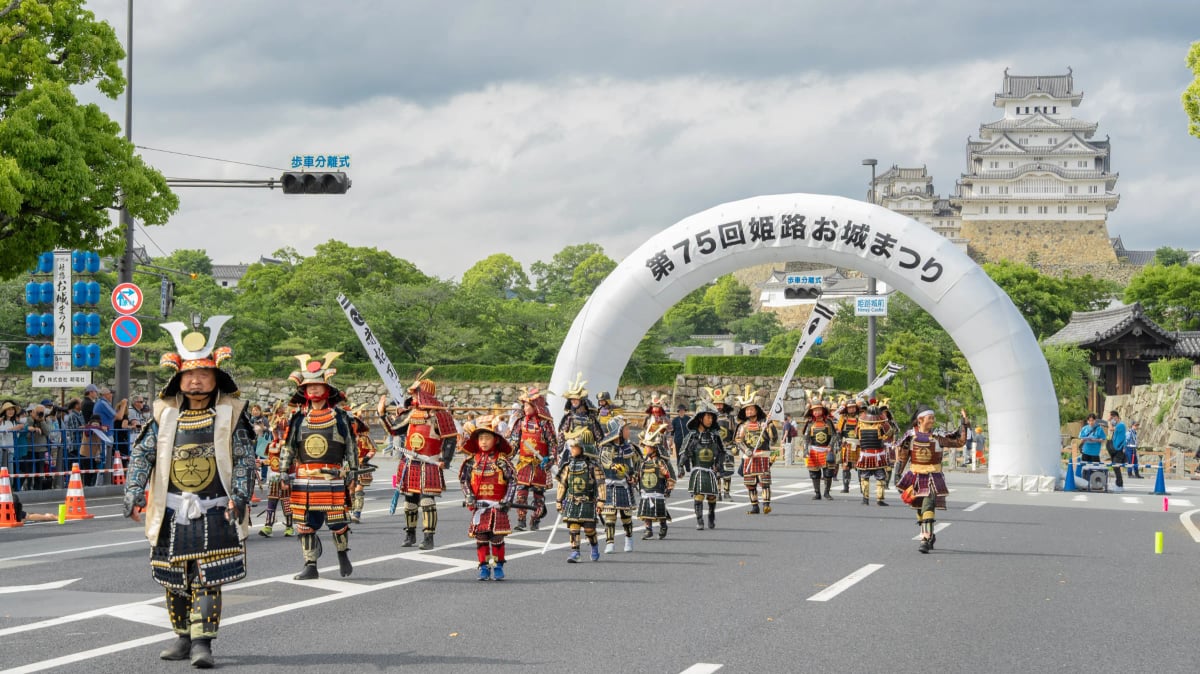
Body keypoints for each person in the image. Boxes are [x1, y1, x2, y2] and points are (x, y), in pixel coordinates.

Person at [122, 315, 256, 667]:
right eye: (189, 375)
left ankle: (203, 643)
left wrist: (240, 495)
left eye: (203, 374)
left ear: (216, 379)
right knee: (174, 577)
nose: (196, 380)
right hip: (171, 510)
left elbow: (244, 459)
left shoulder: (231, 414)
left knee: (209, 578)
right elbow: (142, 453)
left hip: (216, 507)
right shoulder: (164, 415)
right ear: (179, 379)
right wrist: (134, 488)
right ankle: (182, 637)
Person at [279, 352, 360, 580]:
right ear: (304, 390)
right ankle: (310, 564)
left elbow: (351, 446)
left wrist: (353, 470)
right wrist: (283, 471)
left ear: (326, 388)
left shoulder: (340, 417)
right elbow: (289, 446)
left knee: (337, 522)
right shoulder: (298, 418)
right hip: (304, 478)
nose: (313, 390)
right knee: (305, 525)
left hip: (331, 478)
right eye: (309, 386)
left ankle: (342, 553)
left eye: (318, 385)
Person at [387, 372, 458, 550]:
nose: (413, 397)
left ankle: (428, 537)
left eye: (416, 393)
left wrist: (445, 460)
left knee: (427, 501)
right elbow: (394, 430)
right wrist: (381, 415)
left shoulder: (440, 415)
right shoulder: (412, 414)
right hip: (410, 461)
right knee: (409, 501)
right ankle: (410, 534)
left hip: (430, 462)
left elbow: (450, 439)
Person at [895, 408, 969, 553]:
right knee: (918, 507)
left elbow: (959, 441)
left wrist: (963, 424)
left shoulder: (938, 436)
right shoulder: (910, 437)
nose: (932, 420)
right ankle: (929, 535)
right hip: (915, 475)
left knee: (928, 505)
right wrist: (897, 475)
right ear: (920, 420)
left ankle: (924, 538)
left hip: (932, 476)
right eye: (930, 417)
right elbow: (903, 456)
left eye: (933, 418)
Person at [458, 414, 517, 580]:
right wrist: (469, 496)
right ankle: (484, 567)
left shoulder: (502, 461)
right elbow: (464, 480)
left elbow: (512, 481)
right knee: (481, 538)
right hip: (480, 507)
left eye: (487, 438)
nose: (483, 442)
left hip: (497, 507)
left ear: (495, 440)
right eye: (481, 438)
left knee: (496, 538)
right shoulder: (472, 461)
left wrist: (507, 500)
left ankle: (497, 566)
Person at [506, 387, 558, 532]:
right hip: (524, 463)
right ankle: (521, 520)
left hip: (539, 465)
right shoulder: (520, 422)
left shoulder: (545, 424)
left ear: (535, 407)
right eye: (524, 405)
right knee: (521, 493)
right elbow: (515, 443)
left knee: (538, 495)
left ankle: (535, 519)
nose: (525, 407)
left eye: (528, 405)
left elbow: (553, 443)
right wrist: (505, 455)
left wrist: (551, 459)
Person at [555, 428, 607, 563]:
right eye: (571, 447)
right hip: (572, 500)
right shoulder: (568, 466)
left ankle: (594, 546)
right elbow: (562, 484)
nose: (572, 449)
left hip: (588, 501)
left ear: (583, 448)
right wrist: (559, 500)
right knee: (573, 527)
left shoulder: (592, 466)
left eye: (575, 447)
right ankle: (575, 552)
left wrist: (601, 501)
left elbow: (601, 484)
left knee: (589, 529)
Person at [678, 400, 727, 530]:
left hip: (710, 470)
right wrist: (680, 466)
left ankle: (711, 516)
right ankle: (699, 520)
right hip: (698, 469)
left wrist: (719, 465)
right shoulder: (692, 436)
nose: (710, 420)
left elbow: (722, 452)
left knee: (711, 496)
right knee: (698, 495)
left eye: (712, 417)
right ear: (700, 418)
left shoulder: (715, 436)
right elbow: (685, 452)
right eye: (708, 417)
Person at [597, 416, 640, 553]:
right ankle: (610, 542)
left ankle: (629, 539)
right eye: (626, 429)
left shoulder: (630, 447)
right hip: (610, 485)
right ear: (618, 431)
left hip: (624, 485)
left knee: (626, 516)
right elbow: (605, 462)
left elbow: (637, 465)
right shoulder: (606, 448)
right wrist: (613, 466)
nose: (628, 431)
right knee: (610, 515)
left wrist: (634, 477)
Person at [734, 386, 773, 514]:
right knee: (750, 483)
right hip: (750, 456)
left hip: (762, 455)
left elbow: (774, 438)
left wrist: (768, 426)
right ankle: (754, 506)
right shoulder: (743, 426)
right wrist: (746, 450)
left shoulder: (764, 423)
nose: (749, 412)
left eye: (751, 409)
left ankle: (766, 504)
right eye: (746, 410)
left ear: (756, 410)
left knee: (764, 482)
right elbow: (738, 440)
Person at [635, 424, 675, 540]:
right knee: (646, 511)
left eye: (647, 447)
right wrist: (633, 479)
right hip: (646, 490)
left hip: (657, 490)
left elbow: (668, 475)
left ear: (653, 448)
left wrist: (669, 487)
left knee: (660, 511)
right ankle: (648, 530)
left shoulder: (660, 462)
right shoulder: (643, 462)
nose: (645, 448)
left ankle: (663, 526)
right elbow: (638, 475)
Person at [556, 373, 605, 466]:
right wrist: (557, 452)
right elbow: (562, 435)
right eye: (571, 399)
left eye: (576, 399)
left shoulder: (591, 418)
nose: (573, 401)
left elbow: (599, 438)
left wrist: (601, 452)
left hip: (589, 452)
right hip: (572, 450)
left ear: (582, 400)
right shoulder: (569, 417)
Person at [701, 386, 737, 501]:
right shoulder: (709, 419)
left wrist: (735, 444)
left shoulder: (729, 418)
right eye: (716, 404)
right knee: (716, 471)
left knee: (727, 471)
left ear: (723, 405)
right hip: (714, 447)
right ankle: (718, 493)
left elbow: (735, 432)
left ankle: (727, 493)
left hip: (727, 446)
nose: (718, 406)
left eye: (720, 404)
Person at [855, 402, 893, 506]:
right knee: (880, 477)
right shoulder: (882, 426)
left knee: (864, 477)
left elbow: (856, 437)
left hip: (865, 454)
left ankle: (865, 499)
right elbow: (890, 433)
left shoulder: (860, 425)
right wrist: (886, 421)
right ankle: (879, 499)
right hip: (878, 455)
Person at [802, 395, 838, 500]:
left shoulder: (828, 422)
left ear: (822, 411)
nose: (817, 412)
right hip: (814, 450)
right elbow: (806, 438)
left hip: (826, 450)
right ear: (812, 412)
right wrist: (805, 451)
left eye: (819, 410)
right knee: (814, 473)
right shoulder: (810, 423)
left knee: (828, 472)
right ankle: (817, 493)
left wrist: (830, 446)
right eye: (815, 410)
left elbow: (835, 435)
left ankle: (827, 492)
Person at [835, 397, 864, 493]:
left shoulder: (861, 417)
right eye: (849, 407)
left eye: (853, 407)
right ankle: (846, 487)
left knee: (860, 466)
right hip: (847, 444)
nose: (851, 409)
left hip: (858, 444)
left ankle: (862, 487)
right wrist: (839, 443)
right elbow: (839, 432)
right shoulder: (843, 418)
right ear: (847, 408)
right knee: (845, 466)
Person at [1106, 410, 1127, 493]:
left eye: (1112, 418)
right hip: (1115, 449)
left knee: (1116, 467)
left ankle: (1119, 485)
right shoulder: (1118, 425)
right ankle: (1119, 485)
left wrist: (1109, 422)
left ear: (1116, 417)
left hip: (1119, 449)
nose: (1111, 420)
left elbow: (1111, 428)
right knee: (1115, 467)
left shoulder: (1121, 425)